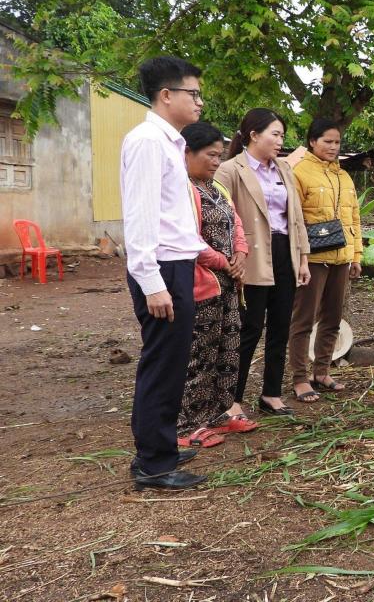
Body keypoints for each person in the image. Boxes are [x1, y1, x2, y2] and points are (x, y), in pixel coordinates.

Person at [120, 56, 207, 490]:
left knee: (172, 362)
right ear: (166, 95)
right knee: (162, 363)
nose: (200, 102)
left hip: (175, 263)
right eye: (193, 93)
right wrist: (152, 282)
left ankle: (161, 446)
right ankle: (154, 463)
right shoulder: (147, 142)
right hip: (160, 268)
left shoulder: (168, 142)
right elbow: (139, 218)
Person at [216, 109, 311, 416]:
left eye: (282, 135)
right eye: (275, 134)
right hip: (250, 256)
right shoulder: (231, 170)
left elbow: (295, 218)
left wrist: (304, 259)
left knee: (281, 325)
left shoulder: (283, 169)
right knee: (249, 328)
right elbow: (221, 219)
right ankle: (232, 399)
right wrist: (231, 258)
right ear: (253, 135)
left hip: (285, 252)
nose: (280, 141)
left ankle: (271, 393)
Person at [176, 121, 260, 447]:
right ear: (187, 153)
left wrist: (241, 254)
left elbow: (236, 225)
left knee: (227, 352)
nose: (216, 161)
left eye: (219, 155)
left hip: (229, 286)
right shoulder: (183, 190)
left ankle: (219, 413)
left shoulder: (217, 189)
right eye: (210, 155)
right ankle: (188, 424)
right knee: (200, 355)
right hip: (203, 285)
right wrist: (226, 263)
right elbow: (189, 240)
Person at [288, 119, 363, 402]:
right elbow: (293, 218)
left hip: (341, 258)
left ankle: (321, 371)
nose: (333, 147)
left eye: (337, 142)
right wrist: (301, 257)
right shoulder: (299, 172)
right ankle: (299, 377)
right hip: (313, 258)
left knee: (332, 317)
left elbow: (354, 218)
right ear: (312, 141)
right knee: (304, 319)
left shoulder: (344, 176)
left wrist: (356, 255)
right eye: (327, 141)